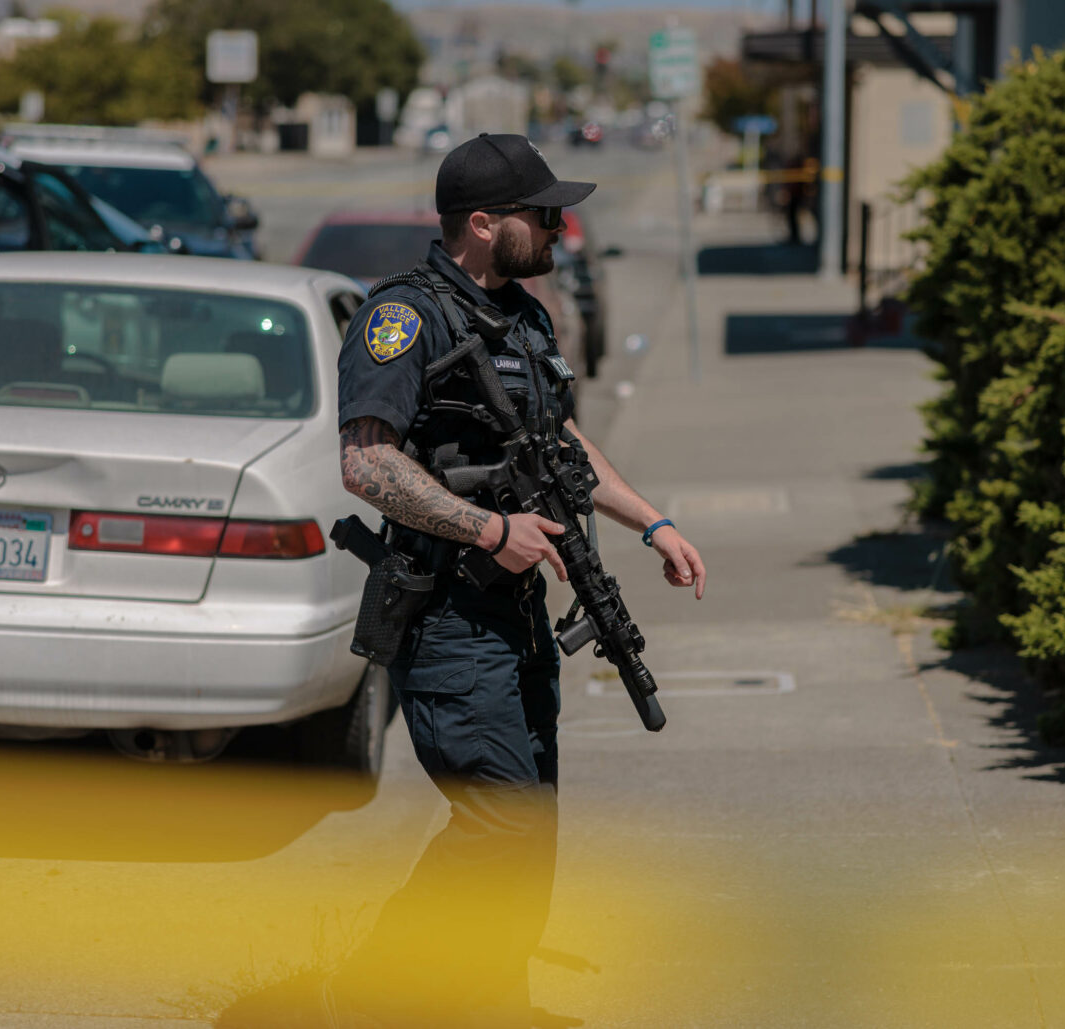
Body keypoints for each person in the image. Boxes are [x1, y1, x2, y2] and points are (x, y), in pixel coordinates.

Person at [331, 132, 706, 1024]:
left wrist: (651, 520)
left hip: (518, 620)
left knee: (529, 832)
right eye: (541, 214)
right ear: (483, 223)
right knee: (500, 825)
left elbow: (562, 441)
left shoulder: (526, 317)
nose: (558, 226)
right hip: (448, 620)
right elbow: (365, 464)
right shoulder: (406, 319)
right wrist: (489, 526)